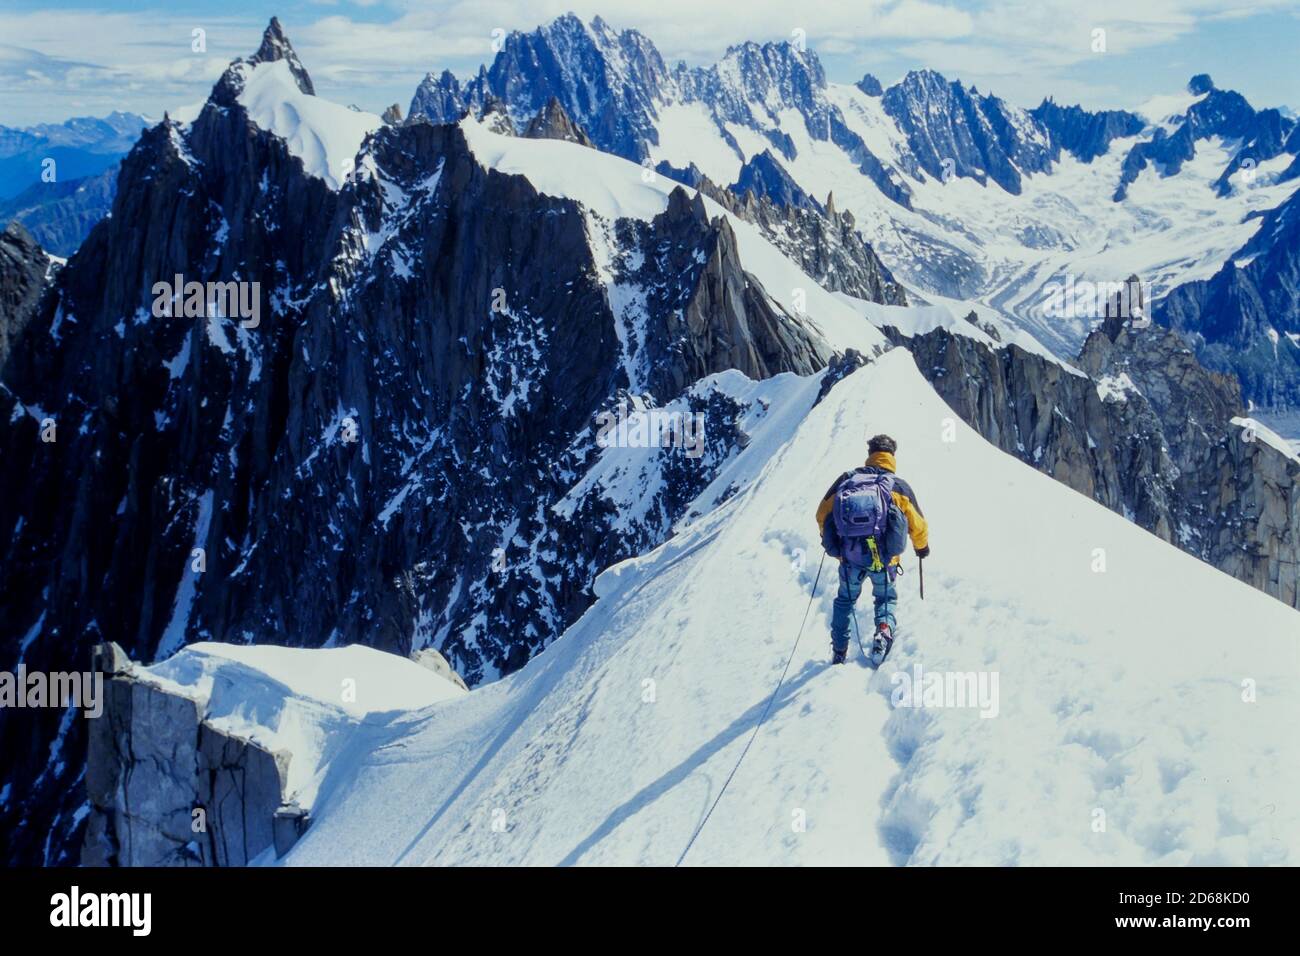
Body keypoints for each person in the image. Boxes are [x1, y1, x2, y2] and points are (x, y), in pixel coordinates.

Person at [815, 434, 929, 664]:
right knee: (885, 597)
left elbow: (821, 514)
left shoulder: (847, 480)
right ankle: (883, 631)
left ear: (870, 455)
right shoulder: (897, 486)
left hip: (850, 557)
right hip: (885, 559)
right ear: (892, 456)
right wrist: (922, 548)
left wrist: (836, 543)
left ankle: (839, 651)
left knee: (845, 601)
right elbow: (918, 524)